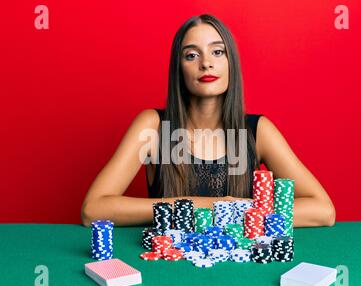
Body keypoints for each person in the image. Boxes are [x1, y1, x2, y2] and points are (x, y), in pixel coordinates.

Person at [81, 14, 335, 228]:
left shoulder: (256, 131)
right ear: (178, 68)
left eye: (217, 51)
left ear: (230, 63)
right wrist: (205, 206)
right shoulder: (154, 126)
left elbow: (323, 211)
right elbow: (93, 209)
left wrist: (243, 209)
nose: (206, 64)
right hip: (170, 273)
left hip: (239, 274)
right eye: (191, 55)